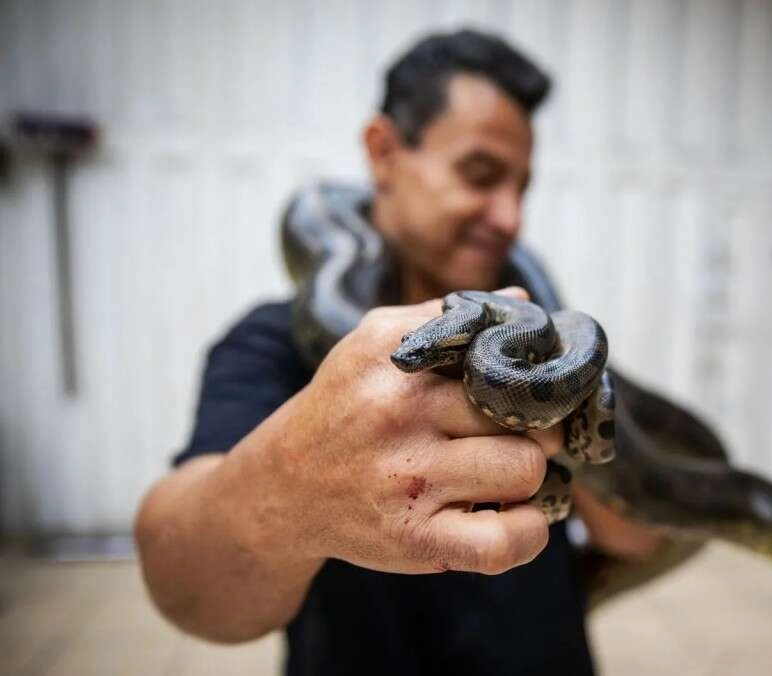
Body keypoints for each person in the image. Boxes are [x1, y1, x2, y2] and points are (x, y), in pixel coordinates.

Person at [135, 29, 664, 676]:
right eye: (480, 175)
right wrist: (294, 482)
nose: (510, 218)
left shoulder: (547, 348)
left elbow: (637, 534)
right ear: (383, 151)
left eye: (521, 187)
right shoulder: (272, 343)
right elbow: (185, 590)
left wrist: (582, 437)